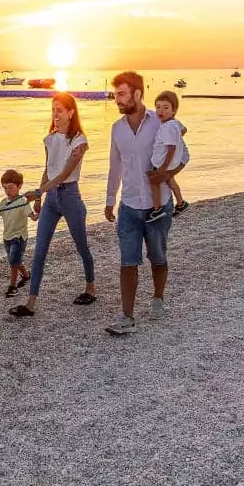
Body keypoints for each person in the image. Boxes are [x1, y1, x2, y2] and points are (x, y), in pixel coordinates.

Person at [10, 94, 98, 318]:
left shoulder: (80, 141)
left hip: (70, 196)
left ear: (71, 112)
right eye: (53, 110)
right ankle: (30, 303)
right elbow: (48, 169)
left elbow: (66, 172)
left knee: (81, 246)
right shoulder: (49, 140)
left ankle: (90, 287)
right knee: (40, 251)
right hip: (51, 200)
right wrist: (40, 198)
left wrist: (40, 191)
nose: (55, 114)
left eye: (59, 110)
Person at [103, 71, 171, 337]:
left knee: (158, 257)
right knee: (127, 261)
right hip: (129, 205)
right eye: (115, 94)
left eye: (121, 94)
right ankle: (127, 316)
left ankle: (158, 297)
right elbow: (115, 165)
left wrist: (168, 174)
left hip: (158, 204)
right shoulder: (117, 129)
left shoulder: (161, 123)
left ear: (137, 94)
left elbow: (181, 153)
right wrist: (110, 199)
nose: (116, 99)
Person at [0, 169, 37, 298]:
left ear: (19, 186)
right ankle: (26, 275)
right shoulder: (4, 202)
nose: (8, 191)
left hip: (19, 237)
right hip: (7, 237)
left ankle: (12, 287)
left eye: (11, 187)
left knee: (13, 262)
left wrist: (39, 213)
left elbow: (32, 216)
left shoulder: (23, 202)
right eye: (5, 188)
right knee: (15, 260)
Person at [144, 90, 189, 223]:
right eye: (158, 107)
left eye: (165, 107)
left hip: (166, 163)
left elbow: (171, 148)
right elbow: (184, 130)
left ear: (173, 111)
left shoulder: (167, 128)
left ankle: (157, 209)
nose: (160, 111)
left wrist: (163, 167)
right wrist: (178, 138)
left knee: (154, 181)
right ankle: (181, 203)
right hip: (172, 161)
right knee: (170, 180)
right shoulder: (174, 123)